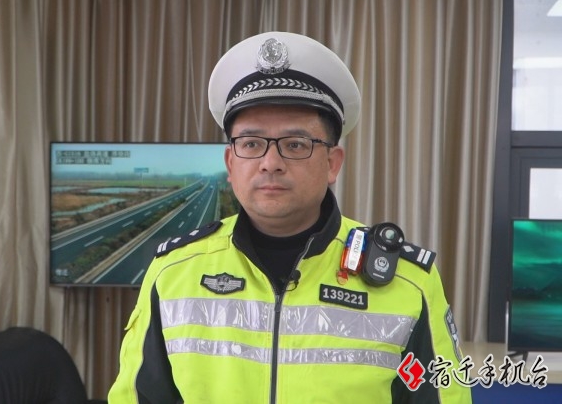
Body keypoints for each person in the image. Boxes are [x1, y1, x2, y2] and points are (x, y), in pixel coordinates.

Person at [108, 31, 472, 404]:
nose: (270, 163)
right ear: (231, 164)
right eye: (251, 144)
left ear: (332, 163)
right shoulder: (174, 272)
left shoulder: (408, 282)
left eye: (295, 145)